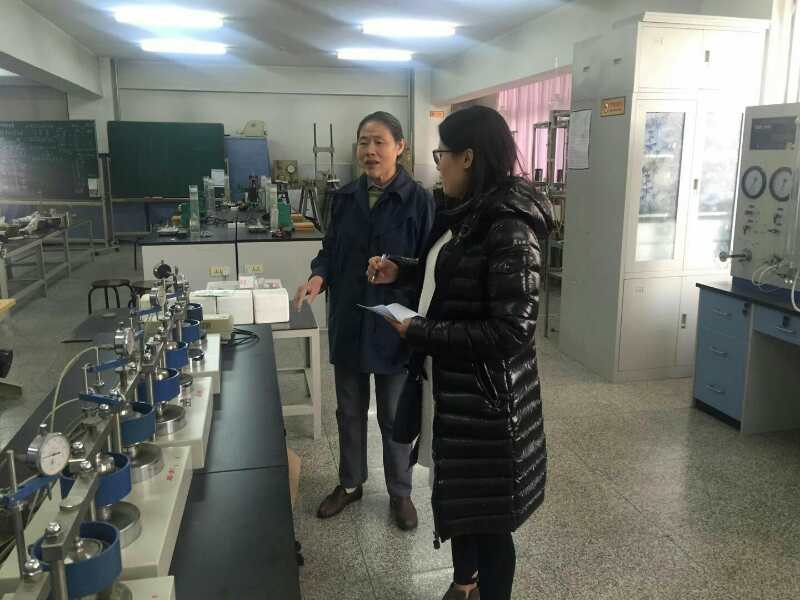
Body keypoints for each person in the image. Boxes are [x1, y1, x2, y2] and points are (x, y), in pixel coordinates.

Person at [367, 106, 553, 600]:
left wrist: (421, 331)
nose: (439, 165)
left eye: (442, 154)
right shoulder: (470, 210)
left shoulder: (509, 225)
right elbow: (455, 275)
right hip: (453, 390)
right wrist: (404, 270)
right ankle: (463, 582)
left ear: (467, 157)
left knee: (489, 522)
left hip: (487, 405)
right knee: (460, 498)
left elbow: (511, 330)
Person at [294, 111, 435, 530]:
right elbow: (329, 250)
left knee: (394, 415)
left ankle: (401, 492)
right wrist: (318, 277)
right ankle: (350, 483)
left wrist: (402, 276)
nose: (369, 151)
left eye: (379, 142)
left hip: (395, 326)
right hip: (350, 320)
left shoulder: (419, 201)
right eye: (363, 142)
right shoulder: (344, 197)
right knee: (350, 411)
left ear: (400, 147)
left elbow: (429, 266)